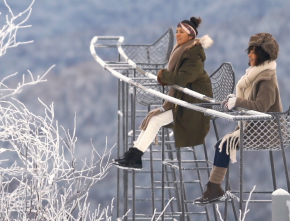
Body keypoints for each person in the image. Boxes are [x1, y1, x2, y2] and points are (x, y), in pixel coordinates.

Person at [114, 16, 214, 170]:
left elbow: (181, 79)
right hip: (183, 101)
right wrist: (164, 77)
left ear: (190, 36)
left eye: (181, 32)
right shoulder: (183, 50)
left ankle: (135, 157)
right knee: (154, 119)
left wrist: (163, 75)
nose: (177, 34)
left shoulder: (193, 56)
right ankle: (133, 155)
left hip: (193, 106)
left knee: (155, 120)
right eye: (177, 31)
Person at [195, 32, 281, 205]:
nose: (249, 55)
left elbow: (260, 107)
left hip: (267, 132)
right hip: (256, 128)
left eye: (253, 52)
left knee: (224, 145)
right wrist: (234, 102)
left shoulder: (267, 79)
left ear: (263, 54)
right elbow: (251, 104)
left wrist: (238, 102)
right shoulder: (255, 76)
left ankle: (214, 189)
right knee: (222, 144)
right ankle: (214, 188)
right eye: (249, 51)